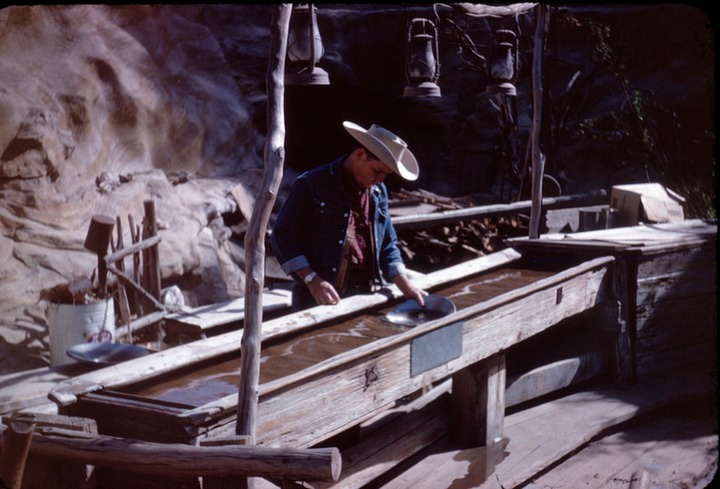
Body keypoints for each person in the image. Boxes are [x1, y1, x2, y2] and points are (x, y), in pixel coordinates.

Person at [271, 121, 428, 312]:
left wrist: (406, 285)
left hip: (363, 295)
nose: (380, 179)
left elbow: (387, 243)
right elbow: (283, 236)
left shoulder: (378, 192)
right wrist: (312, 280)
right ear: (360, 155)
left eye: (386, 175)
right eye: (377, 171)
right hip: (316, 298)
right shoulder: (312, 184)